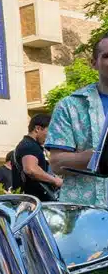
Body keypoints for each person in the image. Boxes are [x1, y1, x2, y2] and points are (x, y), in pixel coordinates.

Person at [46, 35, 108, 206]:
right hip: (84, 216)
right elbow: (56, 163)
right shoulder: (70, 106)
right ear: (93, 62)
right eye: (107, 56)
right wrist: (97, 157)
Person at [11, 114, 62, 201]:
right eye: (50, 131)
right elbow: (31, 169)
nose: (51, 136)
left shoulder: (30, 145)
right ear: (37, 129)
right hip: (33, 203)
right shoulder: (29, 146)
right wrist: (55, 180)